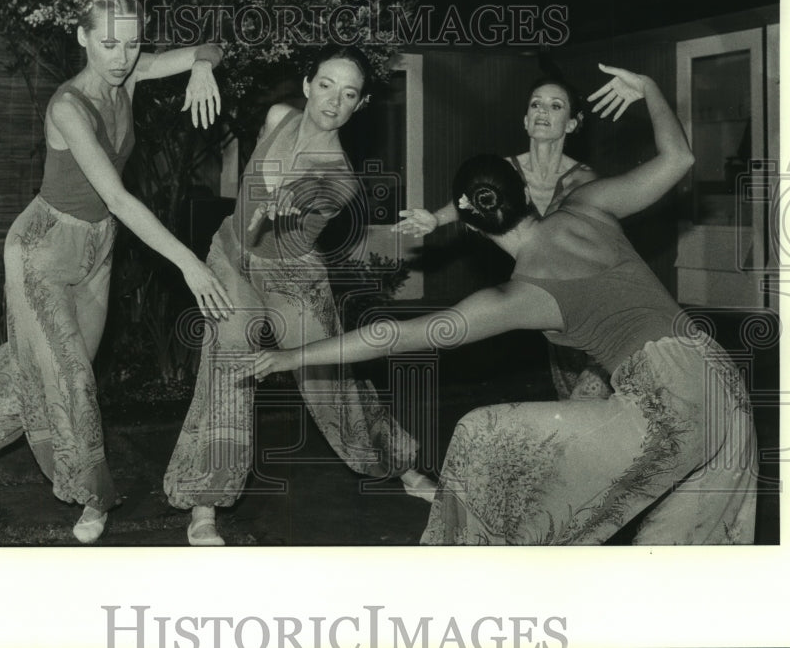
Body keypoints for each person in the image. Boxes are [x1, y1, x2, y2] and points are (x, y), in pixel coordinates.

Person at [239, 64, 758, 545]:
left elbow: (393, 336)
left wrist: (291, 356)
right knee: (684, 560)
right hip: (723, 382)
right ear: (525, 190)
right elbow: (680, 159)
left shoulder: (520, 295)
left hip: (666, 404)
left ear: (468, 214)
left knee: (481, 436)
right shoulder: (590, 206)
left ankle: (470, 584)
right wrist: (647, 86)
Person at [0, 0, 233, 544]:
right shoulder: (68, 106)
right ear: (82, 37)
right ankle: (91, 498)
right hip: (41, 249)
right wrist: (189, 262)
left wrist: (203, 69)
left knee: (54, 364)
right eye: (108, 43)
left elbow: (210, 44)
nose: (121, 56)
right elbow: (116, 197)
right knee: (70, 379)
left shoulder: (131, 75)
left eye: (133, 43)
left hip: (98, 248)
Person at [163, 44, 437, 546]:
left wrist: (300, 194)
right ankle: (206, 500)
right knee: (229, 360)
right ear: (309, 85)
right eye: (327, 85)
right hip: (231, 255)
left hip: (292, 274)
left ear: (359, 104)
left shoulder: (342, 179)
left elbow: (319, 193)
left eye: (349, 93)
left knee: (331, 380)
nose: (334, 100)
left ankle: (395, 461)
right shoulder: (278, 117)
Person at [393, 77, 611, 400]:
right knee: (569, 391)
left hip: (590, 299)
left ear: (572, 123)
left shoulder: (583, 178)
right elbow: (472, 197)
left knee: (594, 392)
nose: (542, 111)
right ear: (525, 120)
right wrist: (435, 219)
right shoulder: (507, 170)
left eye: (556, 106)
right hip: (545, 297)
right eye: (535, 104)